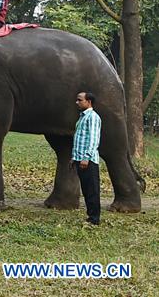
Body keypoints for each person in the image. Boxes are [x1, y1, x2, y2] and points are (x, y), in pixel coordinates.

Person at [72, 91, 102, 225]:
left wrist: (86, 157)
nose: (77, 102)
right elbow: (79, 138)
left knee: (92, 190)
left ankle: (94, 219)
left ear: (88, 101)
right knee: (86, 189)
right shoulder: (82, 117)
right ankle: (90, 216)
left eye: (80, 100)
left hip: (88, 160)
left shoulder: (93, 117)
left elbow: (93, 140)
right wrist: (74, 157)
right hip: (80, 159)